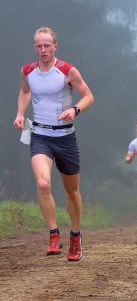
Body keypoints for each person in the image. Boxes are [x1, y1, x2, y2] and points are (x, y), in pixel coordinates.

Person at [13, 27, 94, 261]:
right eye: (39, 46)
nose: (43, 50)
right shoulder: (27, 71)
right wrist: (20, 113)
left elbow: (88, 96)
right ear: (35, 47)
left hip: (66, 138)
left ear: (55, 46)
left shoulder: (67, 70)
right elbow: (25, 91)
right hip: (39, 135)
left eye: (47, 45)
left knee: (71, 191)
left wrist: (75, 109)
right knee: (43, 184)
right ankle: (53, 233)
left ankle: (76, 236)